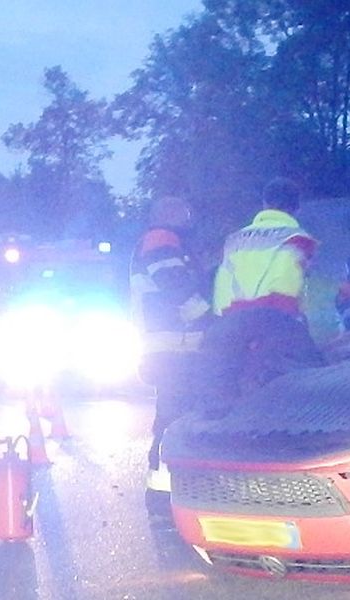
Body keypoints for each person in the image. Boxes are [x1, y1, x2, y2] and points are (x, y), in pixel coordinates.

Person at [203, 178, 325, 412]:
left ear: (264, 203)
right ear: (297, 206)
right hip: (276, 320)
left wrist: (224, 323)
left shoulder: (235, 238)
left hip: (231, 323)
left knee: (226, 399)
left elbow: (223, 283)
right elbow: (289, 282)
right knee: (299, 394)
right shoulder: (298, 238)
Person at [130, 196, 211, 492]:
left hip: (171, 348)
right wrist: (207, 318)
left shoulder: (164, 241)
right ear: (170, 215)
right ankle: (164, 490)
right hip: (172, 348)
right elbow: (175, 284)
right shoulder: (161, 239)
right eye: (184, 212)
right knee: (174, 415)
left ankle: (168, 486)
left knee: (176, 412)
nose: (189, 217)